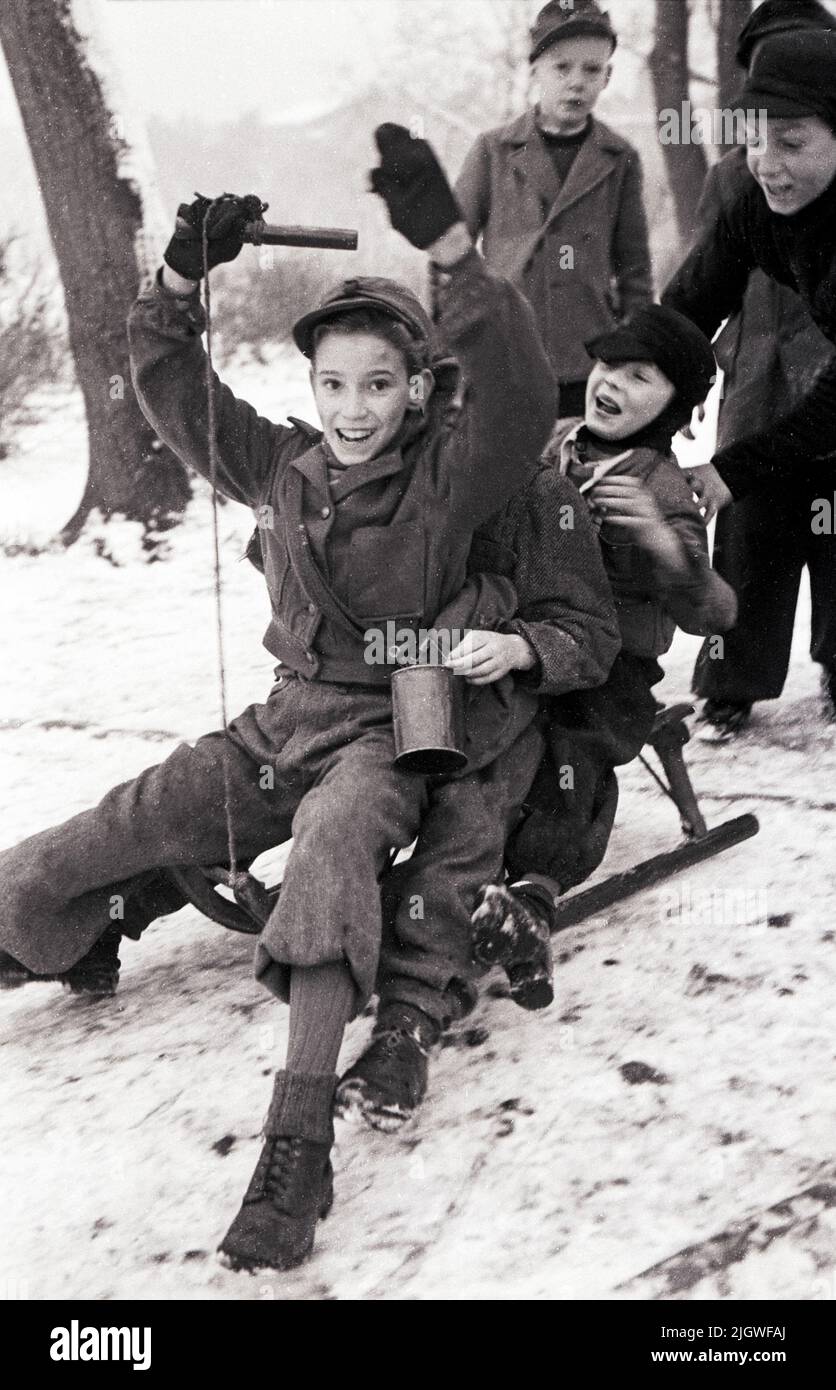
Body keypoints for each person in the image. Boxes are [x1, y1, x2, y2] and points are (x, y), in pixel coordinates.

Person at [0, 125, 557, 1272]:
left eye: (379, 384)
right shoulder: (282, 468)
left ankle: (295, 1145)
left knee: (331, 850)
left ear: (415, 391)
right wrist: (175, 275)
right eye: (333, 383)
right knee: (102, 832)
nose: (354, 408)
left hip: (387, 726)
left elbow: (512, 386)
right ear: (309, 386)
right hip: (278, 722)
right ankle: (57, 934)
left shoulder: (452, 479)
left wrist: (449, 246)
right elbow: (165, 379)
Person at [465, 305, 739, 1006]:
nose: (611, 384)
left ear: (677, 407)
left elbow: (713, 611)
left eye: (639, 376)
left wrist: (662, 544)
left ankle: (533, 891)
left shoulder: (660, 488)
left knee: (576, 746)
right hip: (529, 635)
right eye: (609, 366)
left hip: (611, 663)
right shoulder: (556, 447)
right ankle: (442, 856)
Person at [335, 460, 621, 1130]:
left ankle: (406, 1026)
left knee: (464, 828)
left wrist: (522, 648)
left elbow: (593, 633)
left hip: (496, 712)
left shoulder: (536, 493)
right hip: (375, 704)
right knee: (302, 795)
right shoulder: (359, 471)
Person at [687, 1, 836, 738]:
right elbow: (696, 292)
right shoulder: (735, 182)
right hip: (753, 381)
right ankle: (731, 681)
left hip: (826, 375)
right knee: (748, 536)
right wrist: (677, 375)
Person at [662, 29, 836, 553]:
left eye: (791, 143)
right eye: (756, 139)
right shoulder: (760, 212)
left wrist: (729, 472)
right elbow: (688, 306)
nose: (766, 163)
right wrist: (643, 398)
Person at [454, 0, 652, 418]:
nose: (577, 83)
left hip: (589, 362)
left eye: (592, 70)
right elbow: (451, 254)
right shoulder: (493, 151)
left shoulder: (620, 159)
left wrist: (636, 352)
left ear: (608, 76)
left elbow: (635, 270)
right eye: (561, 68)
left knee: (577, 474)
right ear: (535, 72)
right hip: (504, 358)